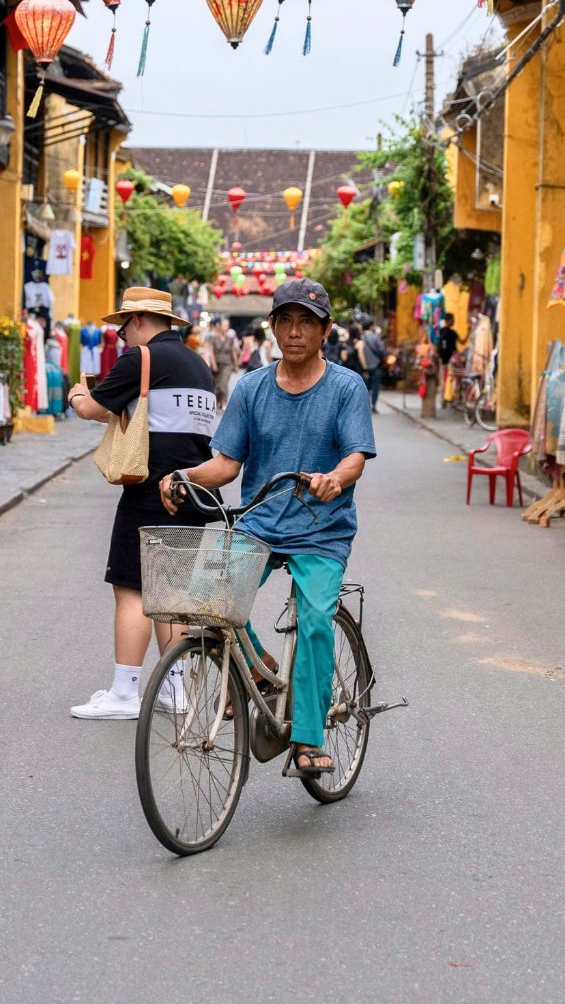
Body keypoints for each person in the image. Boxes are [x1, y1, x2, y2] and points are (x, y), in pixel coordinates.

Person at [160, 279, 376, 778]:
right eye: (285, 321)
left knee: (316, 617)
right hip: (260, 520)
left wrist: (334, 478)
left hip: (322, 528)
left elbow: (356, 457)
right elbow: (226, 465)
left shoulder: (345, 387)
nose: (295, 332)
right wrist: (183, 476)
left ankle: (308, 736)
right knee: (205, 594)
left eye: (306, 322)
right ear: (273, 326)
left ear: (324, 330)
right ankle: (257, 667)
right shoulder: (252, 388)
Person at [64, 287, 219, 720]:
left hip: (150, 490)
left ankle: (124, 692)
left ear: (137, 321)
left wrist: (77, 394)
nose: (121, 336)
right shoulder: (198, 365)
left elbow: (94, 409)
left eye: (122, 328)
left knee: (132, 588)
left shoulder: (141, 359)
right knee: (171, 592)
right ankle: (175, 688)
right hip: (193, 491)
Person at [207, 317, 239, 409]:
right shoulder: (212, 337)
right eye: (224, 325)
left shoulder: (230, 338)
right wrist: (213, 365)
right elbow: (211, 352)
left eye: (227, 325)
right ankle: (218, 402)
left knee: (223, 385)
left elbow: (233, 352)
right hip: (216, 364)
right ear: (219, 325)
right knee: (216, 386)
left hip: (227, 365)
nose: (226, 327)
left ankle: (224, 403)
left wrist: (236, 365)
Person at [359, 320, 386, 414]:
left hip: (364, 367)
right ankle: (373, 405)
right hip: (375, 365)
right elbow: (381, 350)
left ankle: (364, 406)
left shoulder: (361, 337)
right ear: (370, 326)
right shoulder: (376, 337)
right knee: (375, 386)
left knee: (364, 387)